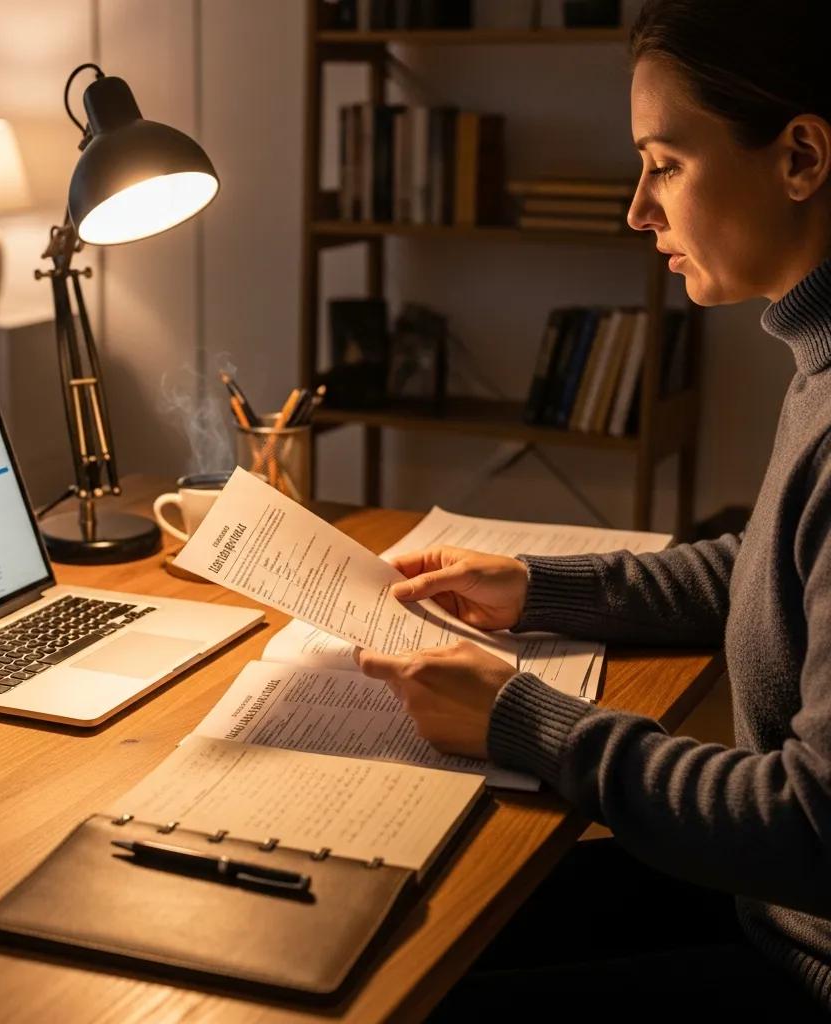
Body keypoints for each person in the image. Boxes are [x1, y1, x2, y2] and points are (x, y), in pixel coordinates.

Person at [355, 1, 831, 1016]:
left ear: (799, 157)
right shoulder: (818, 362)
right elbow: (766, 564)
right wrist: (534, 585)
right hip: (769, 911)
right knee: (407, 925)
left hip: (803, 959)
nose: (636, 210)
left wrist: (522, 719)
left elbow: (812, 828)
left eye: (663, 163)